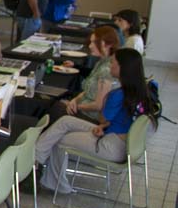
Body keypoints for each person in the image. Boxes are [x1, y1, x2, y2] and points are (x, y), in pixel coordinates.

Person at [35, 48, 159, 195]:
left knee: (60, 139)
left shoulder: (118, 94)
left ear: (122, 67)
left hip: (111, 146)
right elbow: (119, 120)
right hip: (120, 139)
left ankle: (55, 183)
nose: (110, 65)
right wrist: (104, 125)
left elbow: (102, 117)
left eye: (113, 62)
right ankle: (35, 158)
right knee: (65, 121)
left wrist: (105, 108)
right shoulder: (140, 90)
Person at [52, 25, 120, 122]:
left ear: (108, 45)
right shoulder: (101, 62)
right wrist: (74, 101)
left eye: (94, 42)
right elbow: (87, 91)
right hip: (84, 107)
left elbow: (98, 105)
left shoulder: (107, 70)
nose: (90, 46)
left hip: (92, 117)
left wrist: (77, 106)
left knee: (54, 107)